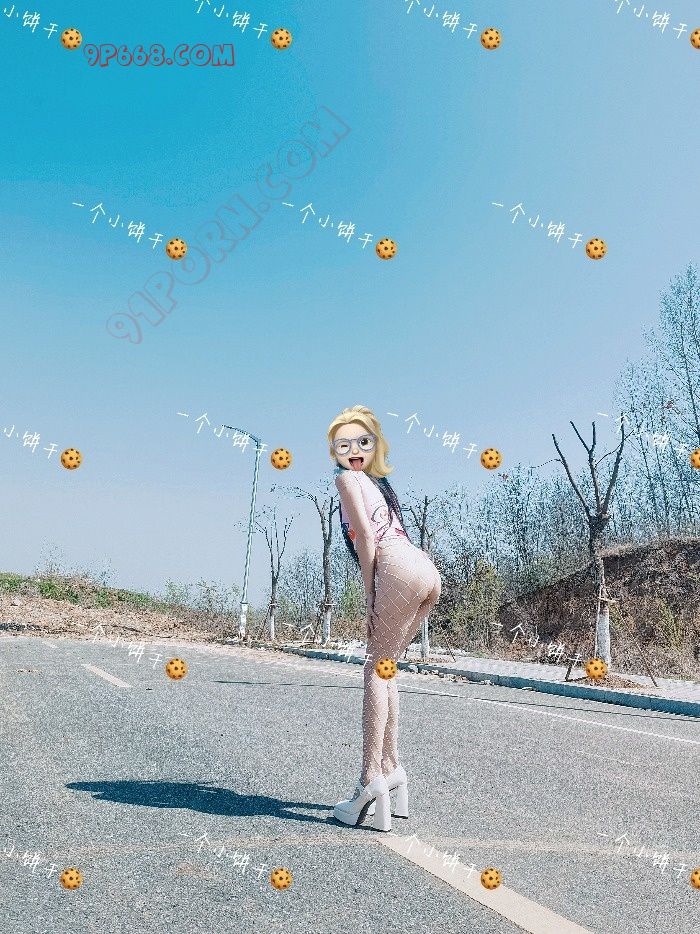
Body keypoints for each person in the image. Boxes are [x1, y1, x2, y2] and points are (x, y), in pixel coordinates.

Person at [328, 405, 441, 831]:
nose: (352, 450)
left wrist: (370, 594)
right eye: (344, 444)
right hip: (425, 571)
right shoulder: (380, 485)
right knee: (387, 669)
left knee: (374, 670)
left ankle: (368, 780)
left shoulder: (346, 479)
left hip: (396, 568)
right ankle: (392, 768)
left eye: (361, 442)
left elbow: (365, 541)